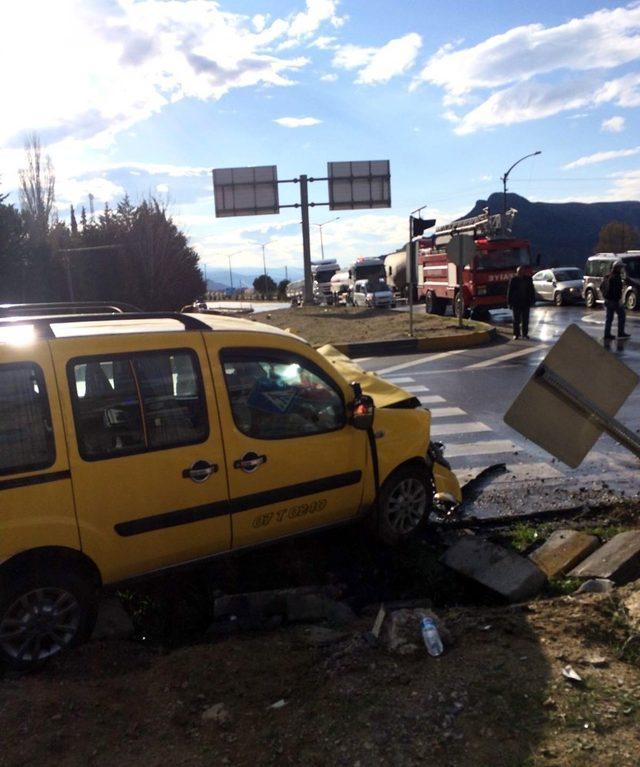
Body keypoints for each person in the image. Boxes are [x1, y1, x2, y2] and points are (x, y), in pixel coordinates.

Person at [602, 261, 631, 340]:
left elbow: (602, 287)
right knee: (622, 316)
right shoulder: (616, 277)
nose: (622, 269)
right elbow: (617, 290)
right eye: (621, 267)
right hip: (614, 301)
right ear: (617, 268)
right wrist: (618, 300)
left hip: (608, 300)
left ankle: (607, 334)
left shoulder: (608, 276)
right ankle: (620, 332)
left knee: (609, 319)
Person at [507, 265, 536, 340]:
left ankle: (525, 334)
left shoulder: (528, 279)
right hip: (516, 303)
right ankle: (516, 334)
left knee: (525, 320)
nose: (521, 273)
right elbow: (510, 292)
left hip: (526, 302)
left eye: (522, 271)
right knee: (516, 320)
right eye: (519, 272)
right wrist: (509, 303)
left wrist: (533, 300)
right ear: (517, 272)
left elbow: (532, 290)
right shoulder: (513, 280)